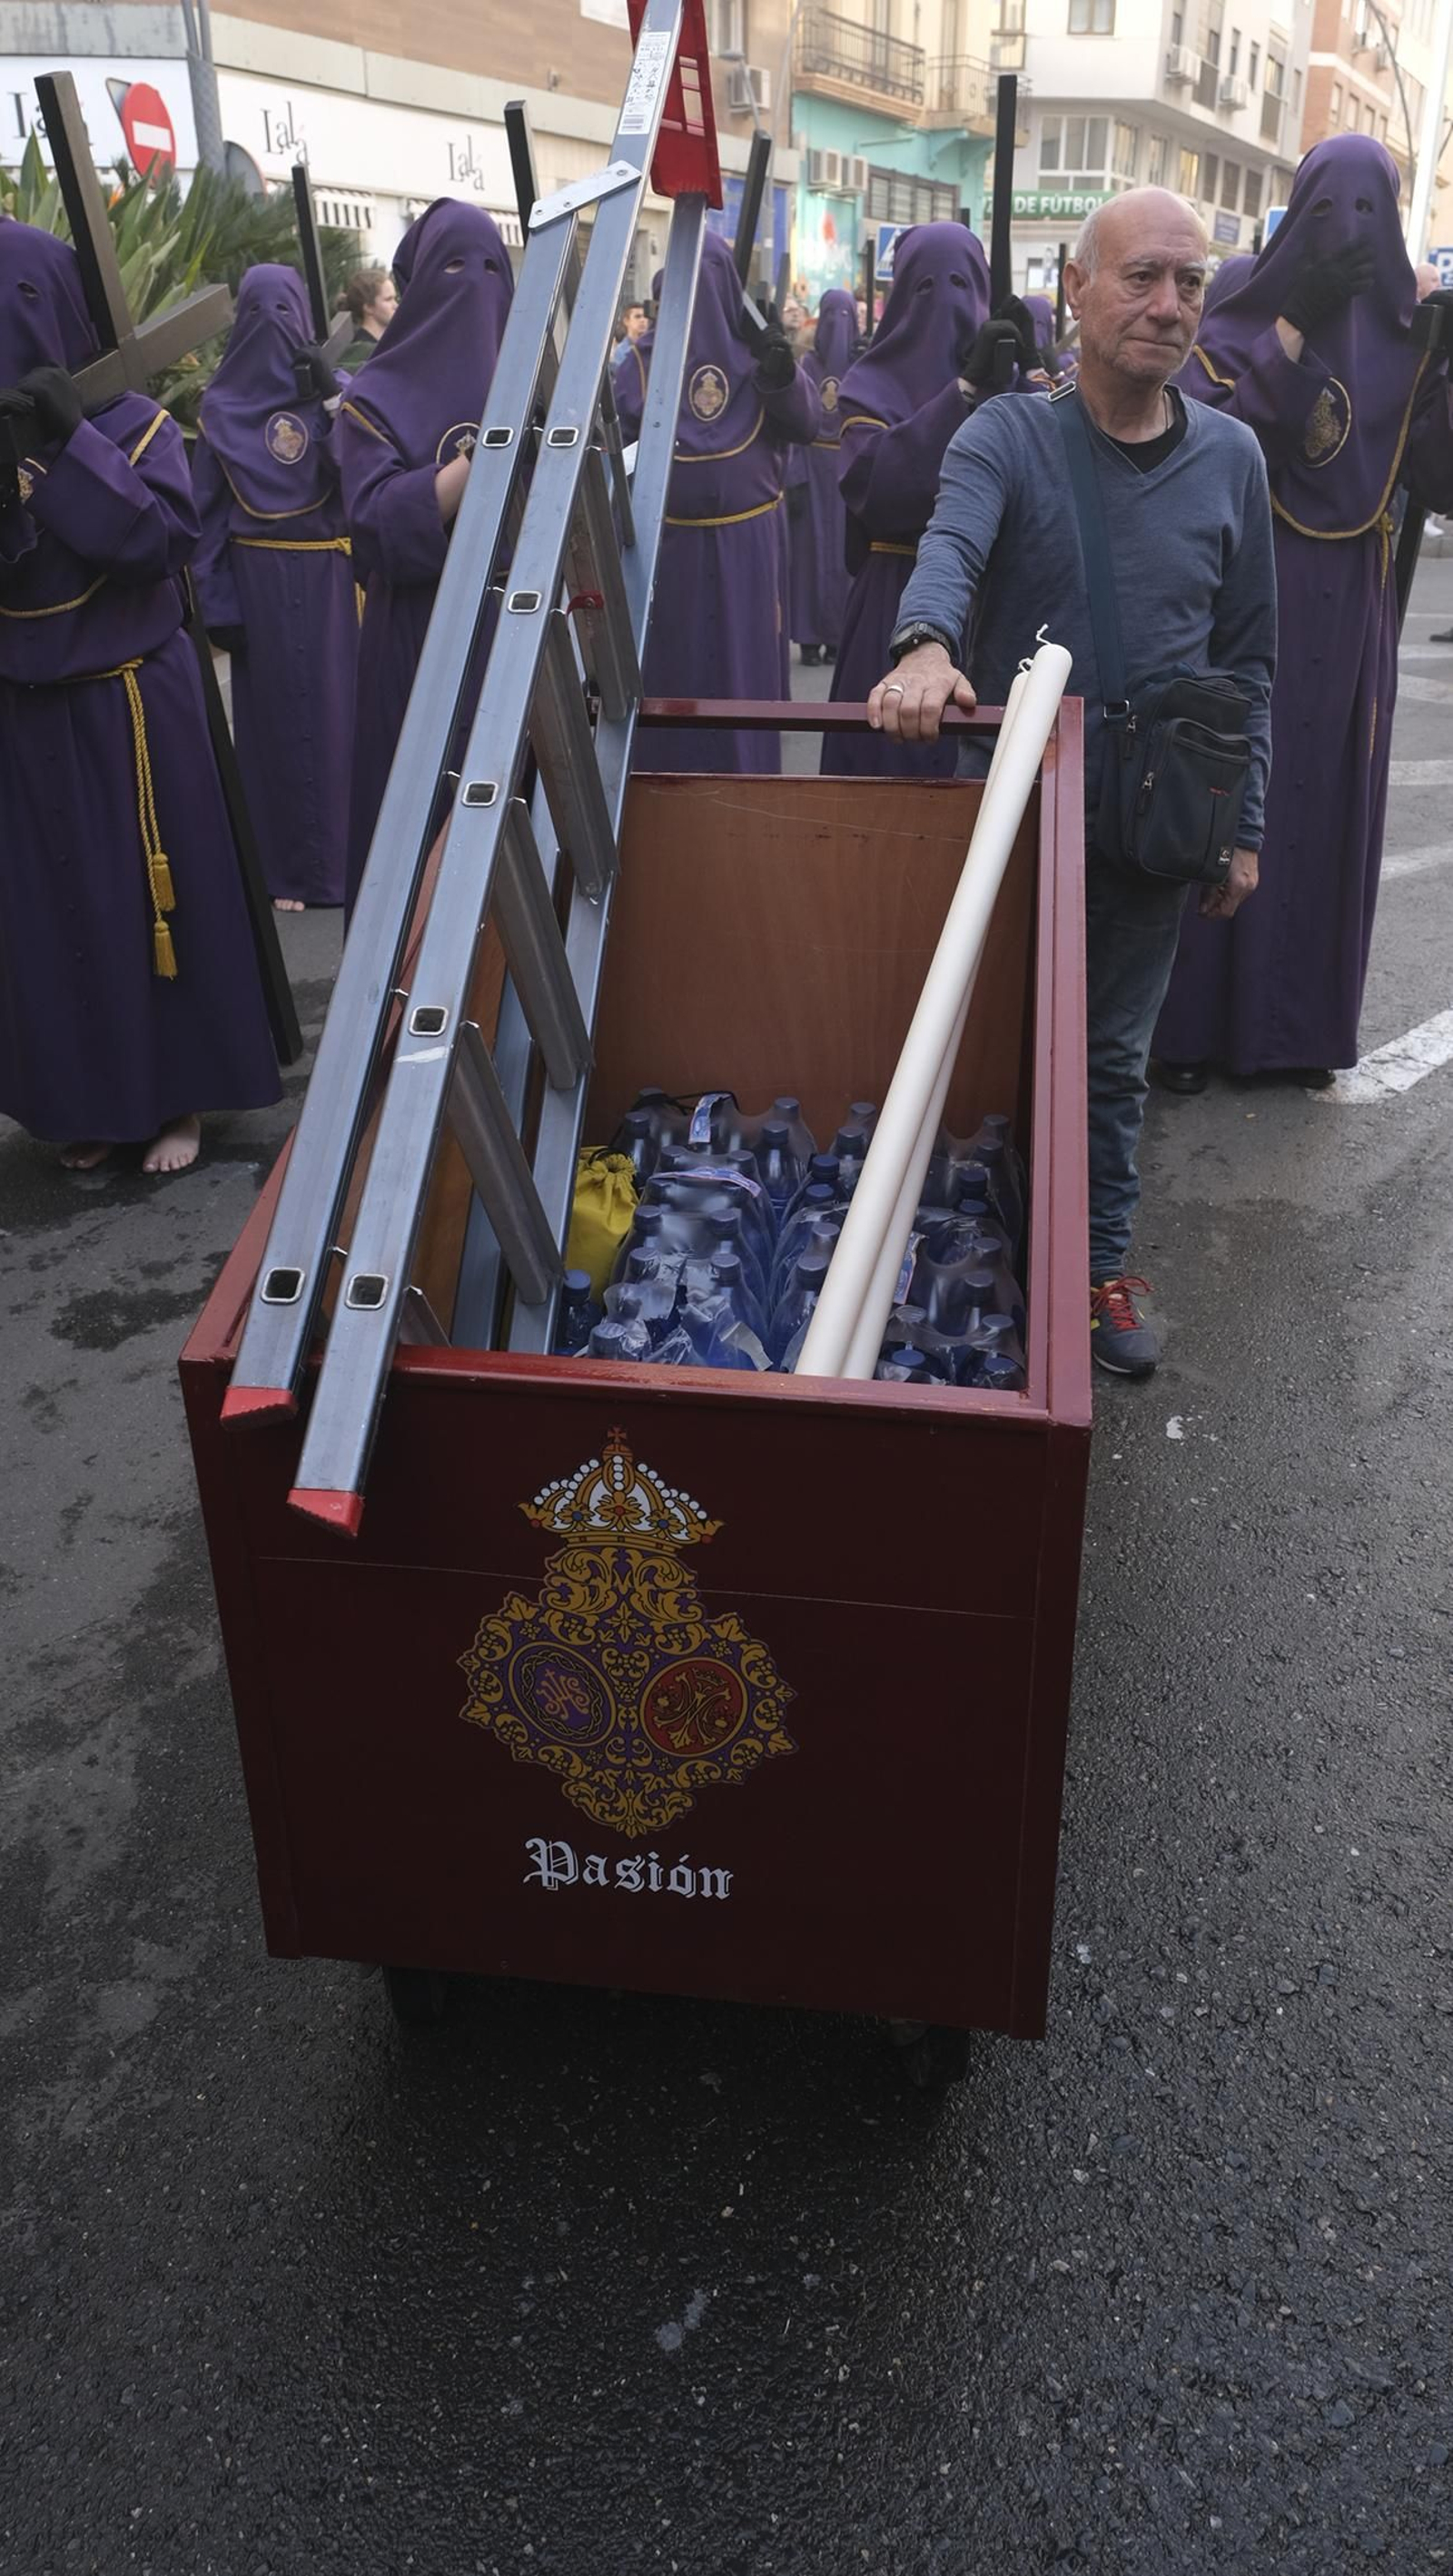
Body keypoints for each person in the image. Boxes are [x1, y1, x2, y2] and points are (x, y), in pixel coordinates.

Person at [867, 188, 1276, 1377]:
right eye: (1142, 277)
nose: (1167, 305)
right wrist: (927, 645)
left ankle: (1092, 1272)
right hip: (1017, 817)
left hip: (1157, 824)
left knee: (1108, 1067)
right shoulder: (1007, 433)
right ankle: (956, 1250)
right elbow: (950, 545)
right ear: (1076, 291)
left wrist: (1239, 827)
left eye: (1189, 283)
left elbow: (1246, 655)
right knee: (971, 1039)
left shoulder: (1234, 459)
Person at [1152, 136, 1453, 1086]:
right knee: (1224, 800)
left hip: (1351, 609)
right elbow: (1201, 436)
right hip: (1246, 597)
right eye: (1332, 210)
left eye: (1372, 212)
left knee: (1323, 808)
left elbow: (1436, 478)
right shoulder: (1237, 312)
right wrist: (1292, 327)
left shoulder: (1410, 341)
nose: (1351, 233)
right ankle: (1190, 1032)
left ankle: (1297, 1034)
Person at [0, 222, 280, 1174]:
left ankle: (178, 1101)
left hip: (130, 706)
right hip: (29, 710)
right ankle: (96, 1099)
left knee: (159, 899)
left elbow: (159, 542)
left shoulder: (133, 424)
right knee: (60, 910)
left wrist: (69, 444)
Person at [336, 200, 514, 912]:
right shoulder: (374, 395)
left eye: (492, 268)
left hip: (517, 637)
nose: (475, 284)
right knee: (415, 839)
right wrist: (482, 465)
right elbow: (372, 522)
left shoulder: (539, 381)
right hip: (417, 641)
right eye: (453, 266)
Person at [823, 222, 1028, 778]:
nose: (947, 304)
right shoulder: (869, 386)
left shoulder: (1013, 383)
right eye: (927, 287)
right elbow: (877, 491)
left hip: (994, 604)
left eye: (963, 284)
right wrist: (960, 394)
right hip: (893, 600)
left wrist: (1033, 375)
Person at [613, 230, 819, 775]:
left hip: (748, 549)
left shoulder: (758, 356)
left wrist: (784, 374)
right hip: (666, 553)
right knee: (671, 685)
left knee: (744, 687)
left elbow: (805, 424)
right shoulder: (635, 363)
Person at [192, 264, 357, 912]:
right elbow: (203, 523)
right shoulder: (219, 412)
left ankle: (350, 860)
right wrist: (219, 606)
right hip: (259, 589)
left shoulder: (335, 390)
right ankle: (288, 870)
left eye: (282, 313)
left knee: (343, 721)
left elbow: (365, 470)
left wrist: (335, 399)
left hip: (333, 585)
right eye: (258, 315)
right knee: (275, 732)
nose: (272, 331)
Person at [787, 286, 855, 666]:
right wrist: (794, 476)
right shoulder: (807, 367)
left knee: (844, 559)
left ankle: (837, 637)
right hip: (813, 472)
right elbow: (796, 422)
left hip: (846, 472)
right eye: (832, 316)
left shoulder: (863, 365)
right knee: (810, 558)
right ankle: (810, 639)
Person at [336, 265, 397, 374]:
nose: (395, 305)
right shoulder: (362, 352)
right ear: (368, 307)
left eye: (394, 298)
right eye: (388, 300)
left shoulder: (380, 348)